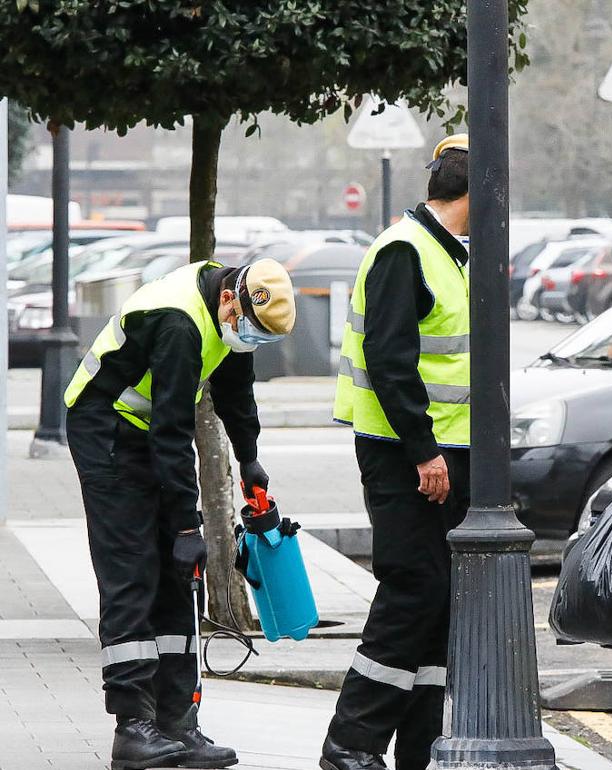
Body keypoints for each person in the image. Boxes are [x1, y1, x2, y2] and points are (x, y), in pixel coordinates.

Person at [63, 257, 296, 770]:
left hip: (147, 431)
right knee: (132, 572)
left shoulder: (231, 313)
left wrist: (250, 456)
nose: (248, 341)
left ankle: (176, 724)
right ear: (230, 300)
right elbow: (173, 433)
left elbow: (236, 389)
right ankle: (133, 729)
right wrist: (188, 525)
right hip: (106, 429)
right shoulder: (178, 322)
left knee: (177, 575)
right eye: (250, 332)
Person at [322, 134, 471, 770]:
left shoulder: (448, 253)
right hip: (405, 455)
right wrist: (423, 451)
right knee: (414, 589)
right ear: (476, 195)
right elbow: (390, 361)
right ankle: (351, 743)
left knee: (437, 599)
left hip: (439, 452)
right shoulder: (403, 252)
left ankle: (421, 745)